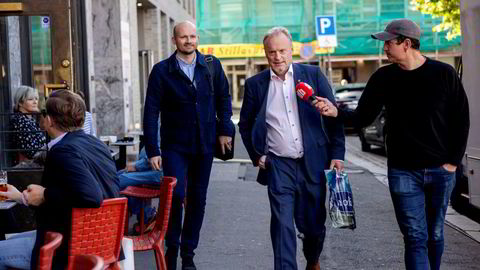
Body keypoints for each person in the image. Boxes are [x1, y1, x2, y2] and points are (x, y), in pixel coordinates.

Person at [316, 19, 470, 270]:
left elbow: (461, 120)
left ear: (407, 44)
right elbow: (363, 116)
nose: (384, 48)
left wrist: (452, 163)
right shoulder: (383, 78)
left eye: (389, 42)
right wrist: (335, 112)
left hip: (441, 171)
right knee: (414, 237)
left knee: (435, 233)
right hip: (402, 171)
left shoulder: (444, 74)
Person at [238, 26, 345, 270]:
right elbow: (245, 125)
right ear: (265, 53)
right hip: (279, 165)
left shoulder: (313, 75)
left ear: (292, 50)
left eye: (282, 51)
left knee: (313, 226)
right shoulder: (256, 84)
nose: (277, 57)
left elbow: (333, 116)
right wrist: (258, 157)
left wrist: (337, 154)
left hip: (314, 163)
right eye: (272, 52)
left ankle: (313, 259)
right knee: (282, 224)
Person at [143, 21, 234, 270]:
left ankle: (188, 252)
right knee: (177, 195)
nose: (189, 41)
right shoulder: (162, 70)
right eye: (183, 37)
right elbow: (151, 111)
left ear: (197, 38)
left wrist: (225, 130)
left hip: (205, 145)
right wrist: (153, 149)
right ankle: (172, 246)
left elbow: (224, 99)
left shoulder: (212, 66)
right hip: (174, 146)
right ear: (175, 40)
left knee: (198, 199)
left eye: (193, 36)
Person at [0, 90, 120, 270]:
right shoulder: (96, 144)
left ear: (49, 120)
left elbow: (91, 196)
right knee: (9, 238)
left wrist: (46, 194)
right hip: (100, 242)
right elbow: (75, 194)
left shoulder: (63, 151)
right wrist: (22, 197)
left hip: (65, 247)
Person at [118, 146, 163, 233]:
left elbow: (155, 154)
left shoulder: (156, 133)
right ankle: (147, 216)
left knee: (120, 180)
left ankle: (147, 217)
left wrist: (136, 166)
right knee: (119, 174)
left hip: (157, 170)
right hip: (150, 167)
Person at [10, 85, 47, 163]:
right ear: (20, 102)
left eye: (36, 99)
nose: (35, 102)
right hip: (30, 165)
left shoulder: (30, 119)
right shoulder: (20, 120)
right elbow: (31, 152)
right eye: (30, 99)